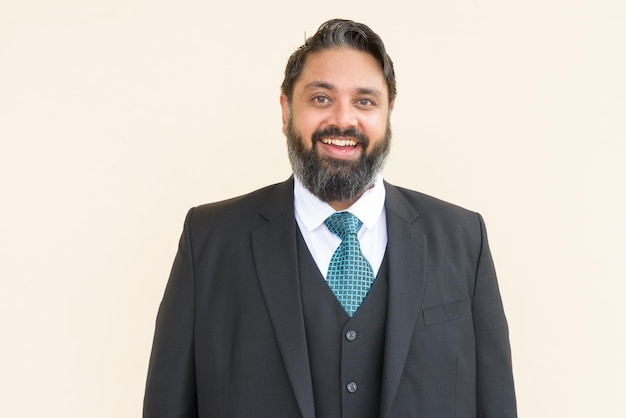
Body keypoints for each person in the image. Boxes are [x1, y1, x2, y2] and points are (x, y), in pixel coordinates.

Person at [143, 18, 516, 418]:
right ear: (286, 110)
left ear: (388, 113)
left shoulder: (463, 239)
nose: (343, 120)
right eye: (321, 98)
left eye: (365, 101)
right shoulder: (208, 240)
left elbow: (494, 402)